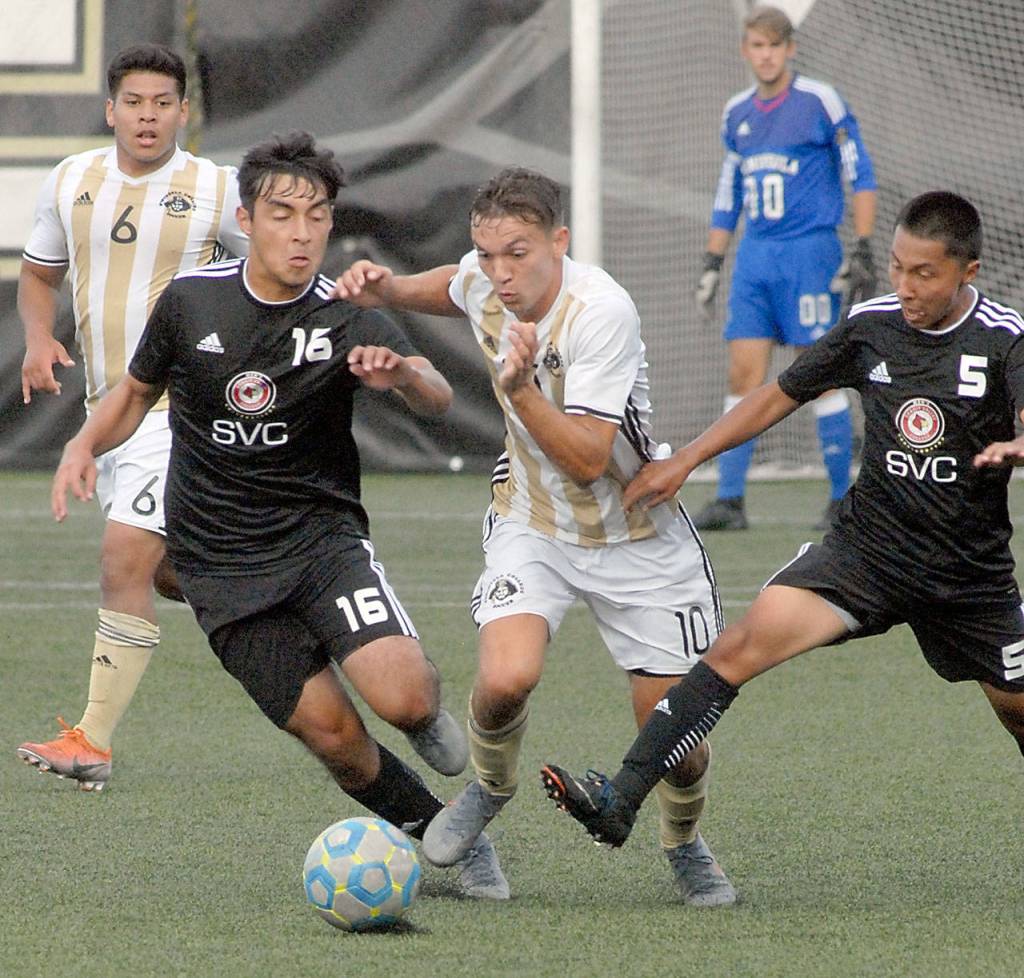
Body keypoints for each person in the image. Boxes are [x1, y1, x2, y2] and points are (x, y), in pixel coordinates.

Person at [48, 130, 507, 899]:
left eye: (317, 216)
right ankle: (440, 834)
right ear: (248, 216)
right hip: (221, 571)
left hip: (321, 543)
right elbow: (133, 393)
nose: (301, 232)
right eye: (283, 213)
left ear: (331, 223)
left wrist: (399, 375)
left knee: (404, 698)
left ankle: (424, 719)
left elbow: (435, 389)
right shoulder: (193, 301)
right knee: (336, 739)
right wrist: (83, 445)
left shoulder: (345, 312)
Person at [541, 192, 1024, 875]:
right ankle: (620, 800)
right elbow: (779, 394)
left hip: (968, 580)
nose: (906, 287)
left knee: (1019, 714)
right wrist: (686, 460)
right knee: (736, 647)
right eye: (897, 267)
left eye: (926, 275)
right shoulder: (870, 326)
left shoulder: (1005, 338)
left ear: (967, 272)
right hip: (866, 556)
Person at [335, 166, 737, 907]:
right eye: (487, 253)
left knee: (673, 742)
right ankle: (489, 790)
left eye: (517, 252)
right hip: (532, 522)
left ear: (560, 241)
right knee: (504, 679)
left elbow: (588, 461)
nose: (500, 271)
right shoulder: (485, 279)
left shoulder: (601, 313)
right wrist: (386, 288)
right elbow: (450, 286)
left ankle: (684, 843)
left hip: (635, 535)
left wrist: (518, 389)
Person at [15, 43, 250, 790]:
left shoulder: (216, 188)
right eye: (135, 103)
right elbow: (38, 273)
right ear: (110, 108)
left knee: (122, 558)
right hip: (108, 414)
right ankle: (297, 621)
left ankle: (92, 741)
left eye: (163, 103)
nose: (148, 117)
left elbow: (279, 266)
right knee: (179, 574)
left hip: (182, 408)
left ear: (184, 111)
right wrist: (37, 337)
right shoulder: (72, 179)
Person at [692, 4, 878, 532]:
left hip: (808, 252)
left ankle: (843, 497)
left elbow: (859, 174)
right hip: (756, 256)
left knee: (817, 374)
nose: (766, 55)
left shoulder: (820, 101)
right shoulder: (736, 113)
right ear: (745, 50)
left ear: (790, 48)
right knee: (743, 374)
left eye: (775, 45)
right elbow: (730, 194)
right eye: (757, 45)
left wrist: (861, 247)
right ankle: (730, 499)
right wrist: (713, 260)